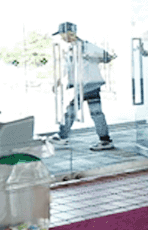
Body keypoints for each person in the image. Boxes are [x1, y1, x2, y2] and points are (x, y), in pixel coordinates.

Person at [49, 22, 116, 151]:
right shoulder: (71, 48)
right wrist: (58, 80)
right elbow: (68, 67)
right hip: (85, 84)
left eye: (63, 34)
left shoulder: (86, 46)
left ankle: (62, 136)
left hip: (89, 84)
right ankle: (105, 140)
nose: (62, 37)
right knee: (95, 112)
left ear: (70, 33)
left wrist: (90, 57)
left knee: (73, 110)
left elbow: (107, 57)